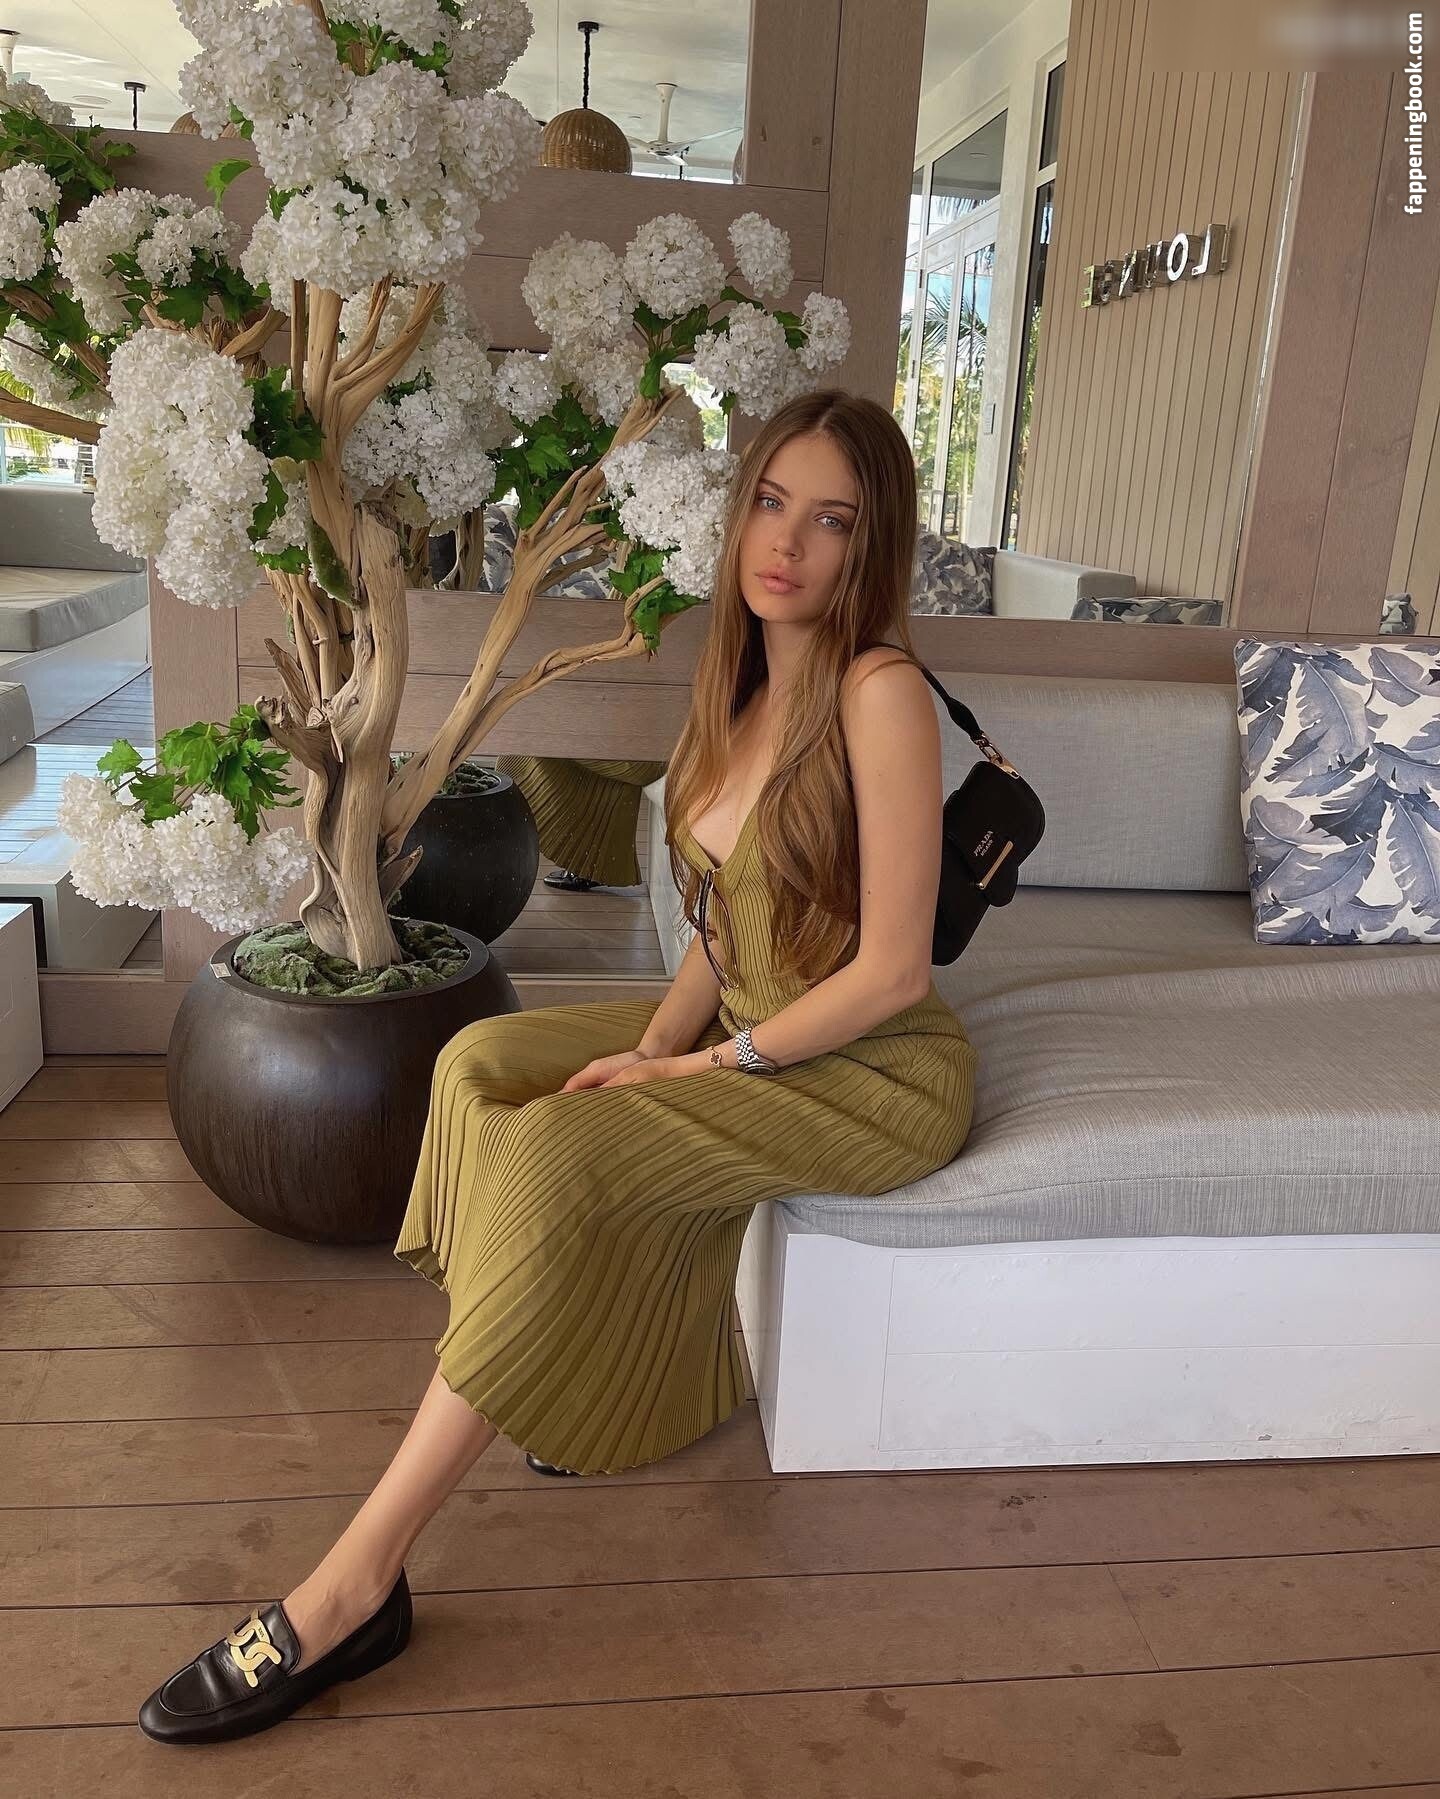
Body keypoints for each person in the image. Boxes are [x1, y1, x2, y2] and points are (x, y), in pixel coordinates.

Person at [137, 387, 980, 1745]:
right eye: (771, 503)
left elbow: (893, 974)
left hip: (871, 1069)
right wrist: (652, 1042)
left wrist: (693, 1074)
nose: (788, 545)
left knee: (563, 1148)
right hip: (751, 1017)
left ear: (871, 544)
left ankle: (354, 1585)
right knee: (481, 1062)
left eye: (832, 521)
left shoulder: (879, 694)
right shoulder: (738, 682)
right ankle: (553, 1356)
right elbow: (723, 928)